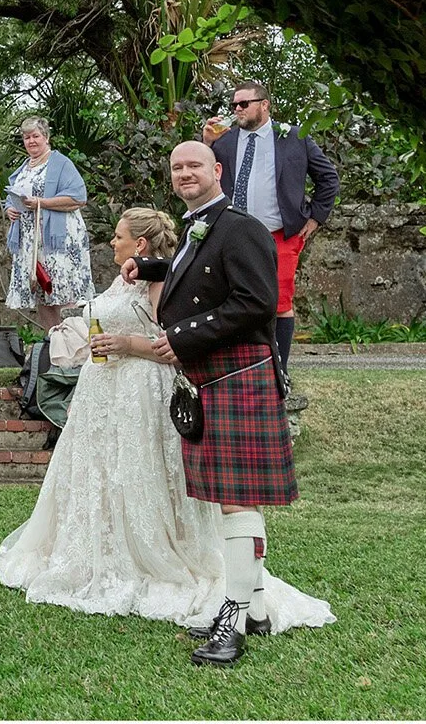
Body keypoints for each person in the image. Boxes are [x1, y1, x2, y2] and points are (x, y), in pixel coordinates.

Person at [0, 206, 333, 637]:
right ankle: (110, 553)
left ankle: (243, 602)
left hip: (141, 389)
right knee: (104, 477)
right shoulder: (132, 273)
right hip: (103, 392)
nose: (112, 244)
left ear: (138, 242)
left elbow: (169, 341)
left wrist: (125, 343)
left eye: (118, 237)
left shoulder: (165, 281)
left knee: (145, 477)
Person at [131, 141, 304, 666]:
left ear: (216, 171)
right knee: (235, 500)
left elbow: (255, 304)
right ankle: (250, 609)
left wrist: (182, 336)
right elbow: (204, 275)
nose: (185, 174)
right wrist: (152, 268)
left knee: (237, 500)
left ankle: (233, 618)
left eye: (194, 166)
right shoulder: (197, 227)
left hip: (239, 373)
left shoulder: (241, 226)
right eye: (177, 167)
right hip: (214, 378)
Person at [208, 82, 340, 403]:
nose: (236, 109)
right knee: (229, 298)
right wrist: (205, 143)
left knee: (279, 303)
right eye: (234, 104)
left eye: (244, 104)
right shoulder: (223, 141)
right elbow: (205, 177)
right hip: (232, 233)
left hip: (279, 234)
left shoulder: (293, 136)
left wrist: (314, 219)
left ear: (265, 105)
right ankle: (238, 369)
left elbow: (328, 178)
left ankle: (278, 370)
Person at [3, 116, 91, 326]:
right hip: (32, 242)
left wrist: (42, 202)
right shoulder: (24, 168)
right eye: (26, 137)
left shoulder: (60, 163)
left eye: (35, 136)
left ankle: (73, 344)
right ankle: (53, 343)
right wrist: (10, 209)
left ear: (46, 137)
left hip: (58, 241)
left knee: (63, 291)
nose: (31, 141)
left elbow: (78, 198)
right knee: (43, 292)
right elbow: (13, 196)